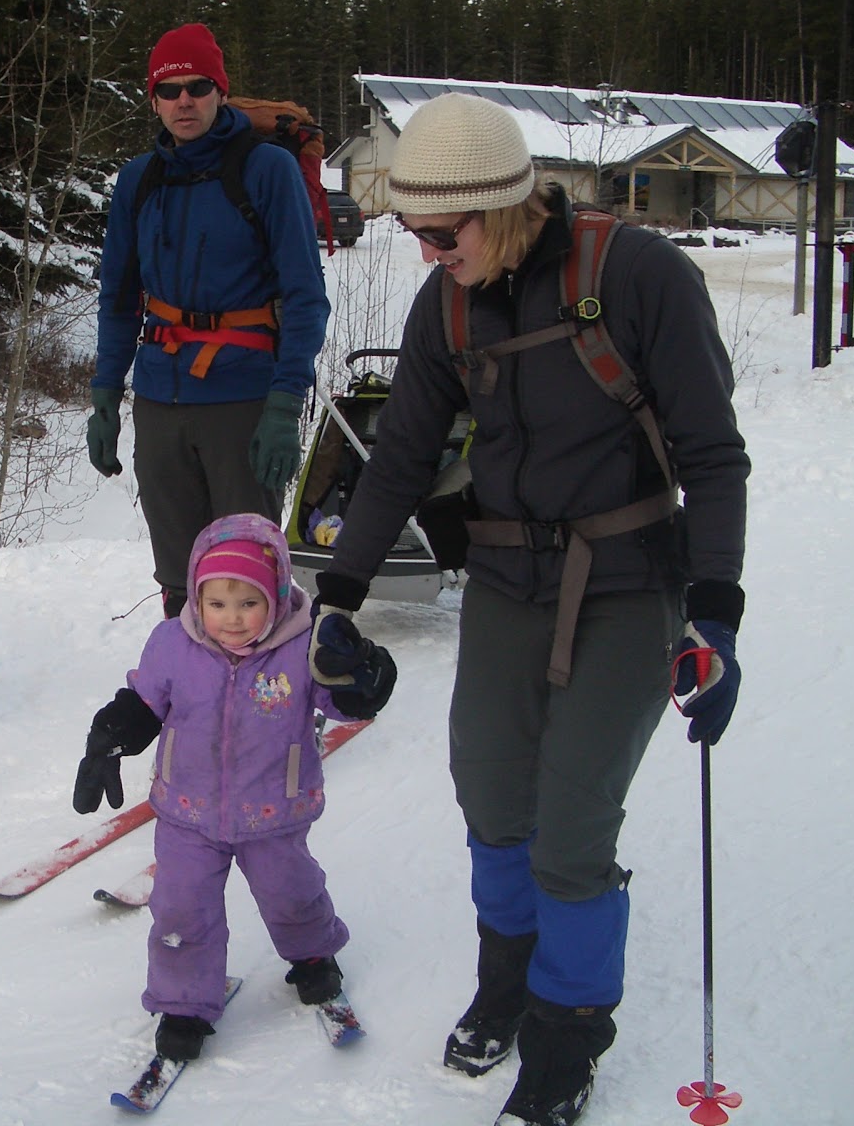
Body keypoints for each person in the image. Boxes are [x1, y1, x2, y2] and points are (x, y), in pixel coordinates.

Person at [306, 93, 749, 1126]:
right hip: (507, 580)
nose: (424, 252)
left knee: (572, 829)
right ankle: (507, 979)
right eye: (412, 231)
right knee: (493, 805)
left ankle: (564, 1037)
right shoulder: (450, 303)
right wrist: (337, 597)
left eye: (439, 232)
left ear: (499, 207)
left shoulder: (634, 276)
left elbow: (712, 456)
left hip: (629, 580)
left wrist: (716, 615)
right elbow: (401, 457)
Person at [73, 513, 386, 1062]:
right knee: (180, 908)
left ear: (277, 595)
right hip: (187, 814)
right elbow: (145, 701)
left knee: (292, 893)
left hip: (275, 811)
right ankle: (182, 1003)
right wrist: (110, 736)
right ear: (197, 599)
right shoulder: (173, 642)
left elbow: (343, 701)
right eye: (217, 603)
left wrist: (364, 677)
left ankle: (314, 956)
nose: (233, 619)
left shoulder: (302, 645)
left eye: (249, 603)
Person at [88, 22, 331, 618]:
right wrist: (104, 396)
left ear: (220, 90)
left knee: (246, 572)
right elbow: (118, 298)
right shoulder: (139, 179)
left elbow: (305, 296)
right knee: (179, 573)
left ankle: (263, 701)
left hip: (242, 399)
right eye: (168, 91)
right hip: (160, 397)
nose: (183, 102)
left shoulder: (265, 169)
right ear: (153, 100)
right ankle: (190, 695)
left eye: (197, 86)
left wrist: (283, 405)